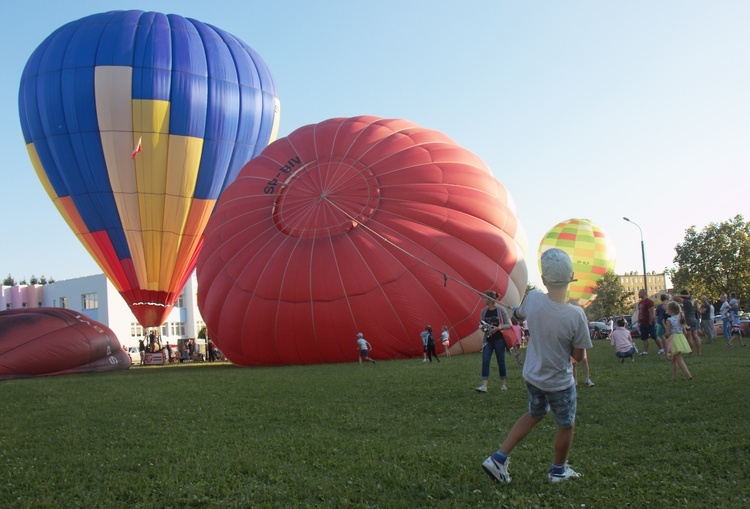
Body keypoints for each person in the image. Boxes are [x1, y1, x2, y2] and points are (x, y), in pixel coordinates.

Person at [481, 248, 592, 484]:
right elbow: (578, 355)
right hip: (560, 383)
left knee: (535, 413)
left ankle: (499, 458)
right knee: (566, 424)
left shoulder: (533, 298)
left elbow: (519, 315)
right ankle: (558, 470)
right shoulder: (576, 315)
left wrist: (518, 312)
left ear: (543, 280)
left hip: (533, 377)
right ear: (571, 276)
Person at [475, 290, 511, 392]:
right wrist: (482, 327)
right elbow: (481, 323)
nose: (483, 299)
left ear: (490, 299)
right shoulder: (484, 311)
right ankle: (484, 385)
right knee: (485, 361)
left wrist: (498, 328)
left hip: (499, 339)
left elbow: (508, 324)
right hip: (488, 340)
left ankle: (503, 384)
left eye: (485, 298)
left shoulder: (500, 310)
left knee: (501, 361)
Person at [664, 301, 693, 381]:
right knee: (673, 359)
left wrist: (665, 336)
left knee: (679, 358)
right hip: (680, 337)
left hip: (674, 338)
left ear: (671, 310)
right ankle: (674, 377)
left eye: (667, 309)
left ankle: (688, 375)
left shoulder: (669, 320)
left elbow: (667, 332)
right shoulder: (680, 317)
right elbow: (684, 331)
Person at [637, 289, 665, 355]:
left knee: (654, 336)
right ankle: (645, 351)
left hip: (649, 322)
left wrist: (650, 322)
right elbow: (639, 312)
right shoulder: (640, 303)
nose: (638, 294)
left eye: (640, 293)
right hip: (642, 322)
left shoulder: (649, 302)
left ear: (644, 293)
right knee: (644, 338)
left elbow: (652, 312)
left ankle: (661, 349)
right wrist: (639, 321)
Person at [678, 290, 701, 356]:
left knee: (689, 337)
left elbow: (675, 297)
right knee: (696, 336)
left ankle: (690, 353)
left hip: (688, 319)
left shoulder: (685, 302)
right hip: (694, 318)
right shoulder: (694, 301)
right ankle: (699, 352)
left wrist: (684, 296)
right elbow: (697, 310)